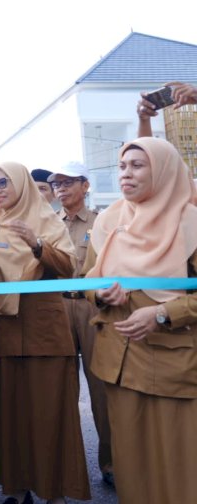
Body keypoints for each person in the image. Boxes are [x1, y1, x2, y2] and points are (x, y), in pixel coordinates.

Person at [84, 137, 197, 504]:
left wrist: (163, 313)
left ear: (162, 171)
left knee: (178, 464)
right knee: (131, 467)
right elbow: (88, 278)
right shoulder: (109, 221)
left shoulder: (191, 224)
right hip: (118, 361)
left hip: (172, 362)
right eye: (122, 166)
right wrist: (100, 294)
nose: (126, 174)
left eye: (137, 165)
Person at [0, 162, 89, 504]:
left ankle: (53, 491)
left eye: (2, 183)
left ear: (22, 184)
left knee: (48, 413)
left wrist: (36, 243)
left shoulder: (45, 218)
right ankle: (17, 487)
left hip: (44, 332)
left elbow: (70, 268)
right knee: (11, 414)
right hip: (4, 329)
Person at [48, 162, 113, 487]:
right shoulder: (49, 224)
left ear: (85, 185)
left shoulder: (102, 223)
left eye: (67, 182)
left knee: (100, 385)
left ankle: (111, 464)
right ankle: (62, 468)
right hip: (57, 307)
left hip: (90, 308)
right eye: (56, 183)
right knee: (59, 388)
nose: (60, 188)